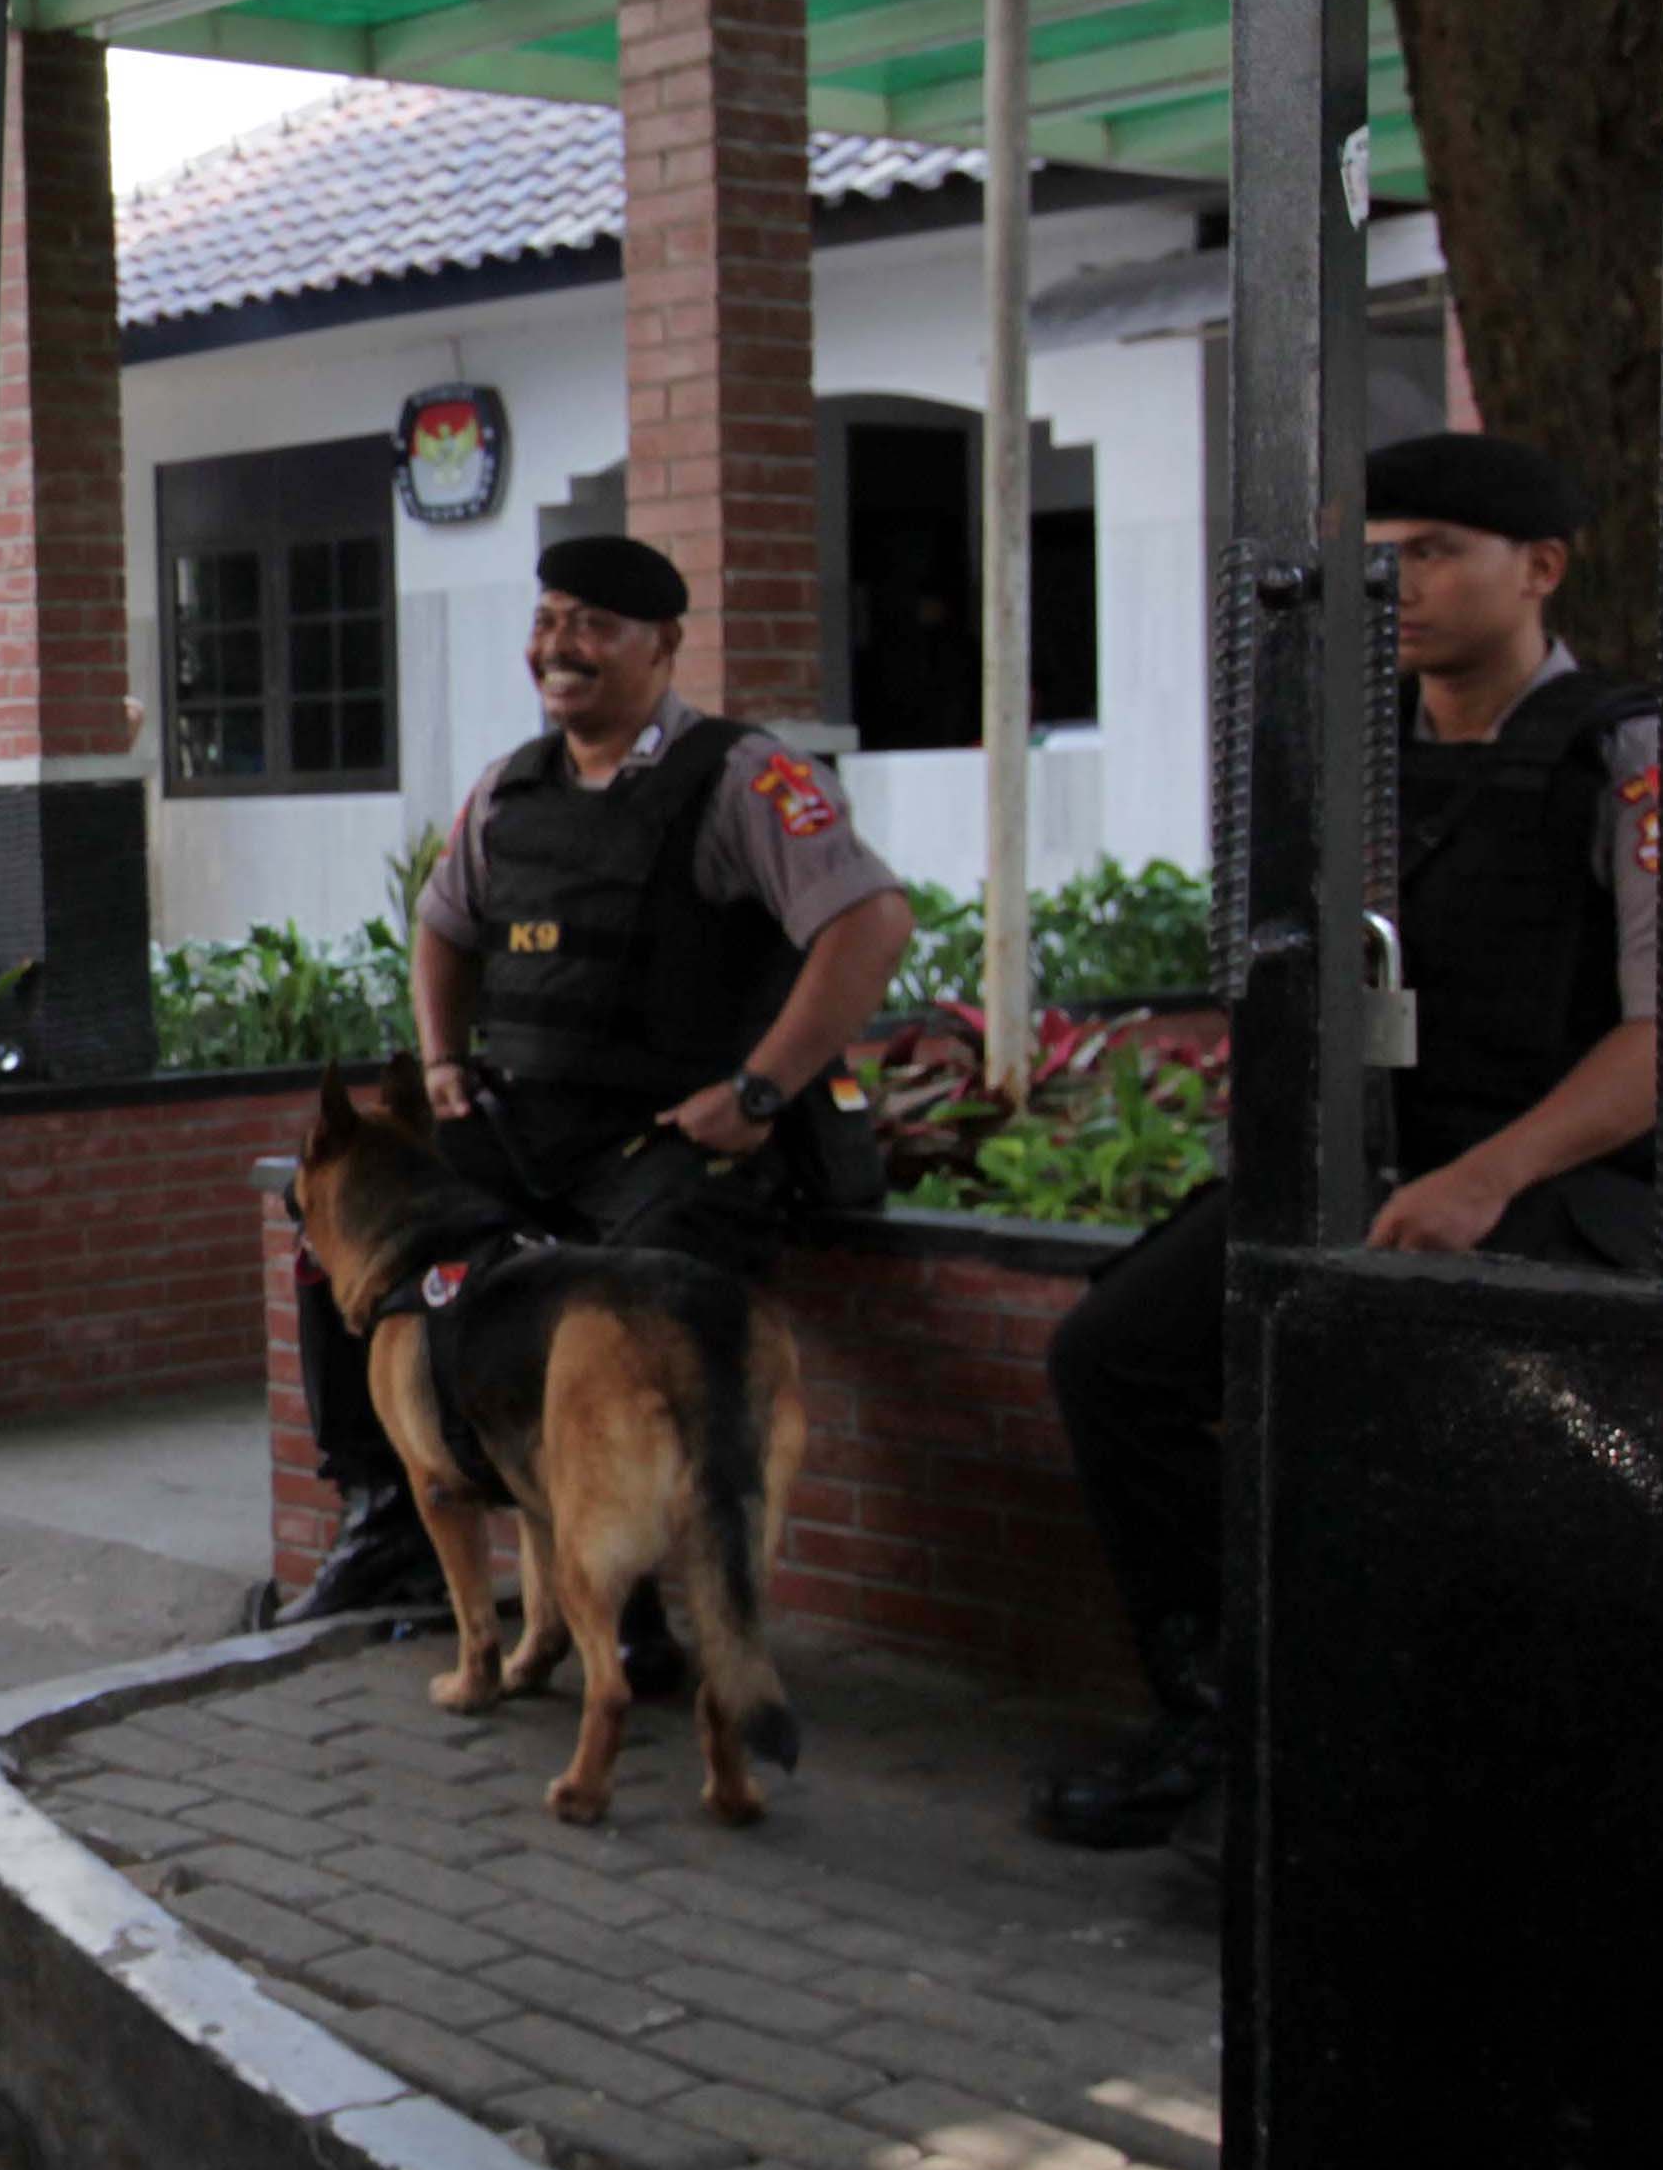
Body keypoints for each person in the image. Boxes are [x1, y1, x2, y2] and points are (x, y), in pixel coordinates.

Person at [1029, 432, 1653, 1851]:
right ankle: (1216, 1712)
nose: (1397, 586)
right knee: (1113, 1357)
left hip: (1549, 1188)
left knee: (1423, 1454)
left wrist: (1488, 1175)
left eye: (1432, 551)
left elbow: (1651, 1037)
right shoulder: (1345, 749)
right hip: (1354, 1167)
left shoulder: (1620, 754)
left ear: (1537, 569)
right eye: (1375, 559)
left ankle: (1433, 1793)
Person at [280, 532, 916, 1633]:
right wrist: (439, 1060)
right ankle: (389, 1518)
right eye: (546, 622)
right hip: (525, 1128)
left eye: (592, 626)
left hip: (675, 1140)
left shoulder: (745, 778)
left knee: (634, 1325)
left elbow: (870, 923)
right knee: (341, 1233)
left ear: (662, 644)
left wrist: (760, 1091)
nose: (558, 648)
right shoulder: (511, 788)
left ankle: (638, 1609)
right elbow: (442, 928)